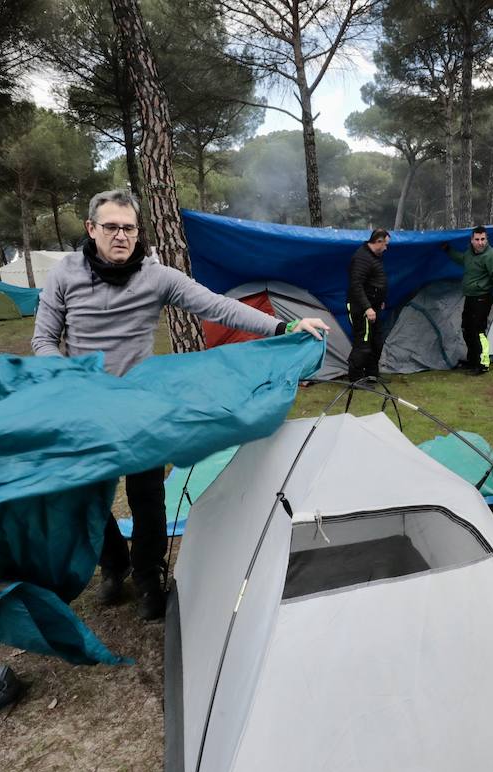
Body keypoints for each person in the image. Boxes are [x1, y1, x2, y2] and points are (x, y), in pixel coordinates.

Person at [32, 189, 328, 621]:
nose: (120, 236)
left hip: (142, 403)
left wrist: (284, 325)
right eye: (111, 227)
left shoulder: (157, 277)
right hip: (87, 406)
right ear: (91, 229)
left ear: (138, 232)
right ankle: (113, 567)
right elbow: (43, 339)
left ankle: (148, 574)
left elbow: (219, 307)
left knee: (147, 496)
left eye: (129, 228)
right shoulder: (63, 275)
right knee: (86, 497)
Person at [441, 225, 493, 375]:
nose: (480, 242)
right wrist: (447, 249)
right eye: (477, 239)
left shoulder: (492, 256)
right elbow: (461, 259)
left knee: (479, 331)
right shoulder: (470, 253)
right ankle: (472, 360)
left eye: (483, 239)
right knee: (467, 329)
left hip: (483, 298)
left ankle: (483, 364)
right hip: (470, 297)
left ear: (487, 239)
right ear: (472, 240)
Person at [346, 228, 390, 381]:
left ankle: (372, 375)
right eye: (384, 244)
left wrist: (380, 300)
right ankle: (355, 378)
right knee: (363, 344)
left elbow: (375, 281)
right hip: (361, 308)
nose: (386, 248)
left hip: (374, 307)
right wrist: (367, 307)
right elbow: (356, 285)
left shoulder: (375, 256)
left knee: (377, 341)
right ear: (378, 241)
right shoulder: (361, 257)